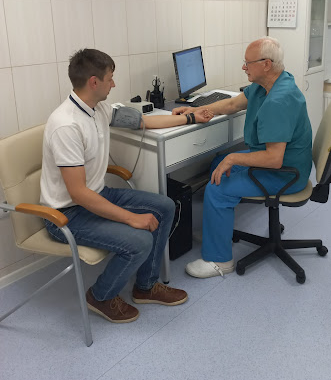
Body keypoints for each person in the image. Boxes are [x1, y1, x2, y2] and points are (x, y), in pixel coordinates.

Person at [40, 48, 213, 323]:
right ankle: (100, 296)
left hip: (97, 195)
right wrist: (131, 218)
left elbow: (143, 121)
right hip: (66, 214)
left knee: (166, 206)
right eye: (110, 78)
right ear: (94, 82)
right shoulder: (66, 126)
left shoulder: (99, 109)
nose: (114, 84)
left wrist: (190, 117)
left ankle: (146, 286)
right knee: (140, 239)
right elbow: (78, 193)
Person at [172, 37, 312, 278]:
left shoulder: (278, 100)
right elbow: (232, 105)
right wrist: (195, 110)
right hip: (282, 163)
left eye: (248, 63)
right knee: (218, 164)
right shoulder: (268, 84)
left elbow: (274, 159)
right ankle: (218, 231)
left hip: (286, 173)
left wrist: (234, 159)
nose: (243, 67)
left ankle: (220, 261)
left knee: (218, 188)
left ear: (266, 64)